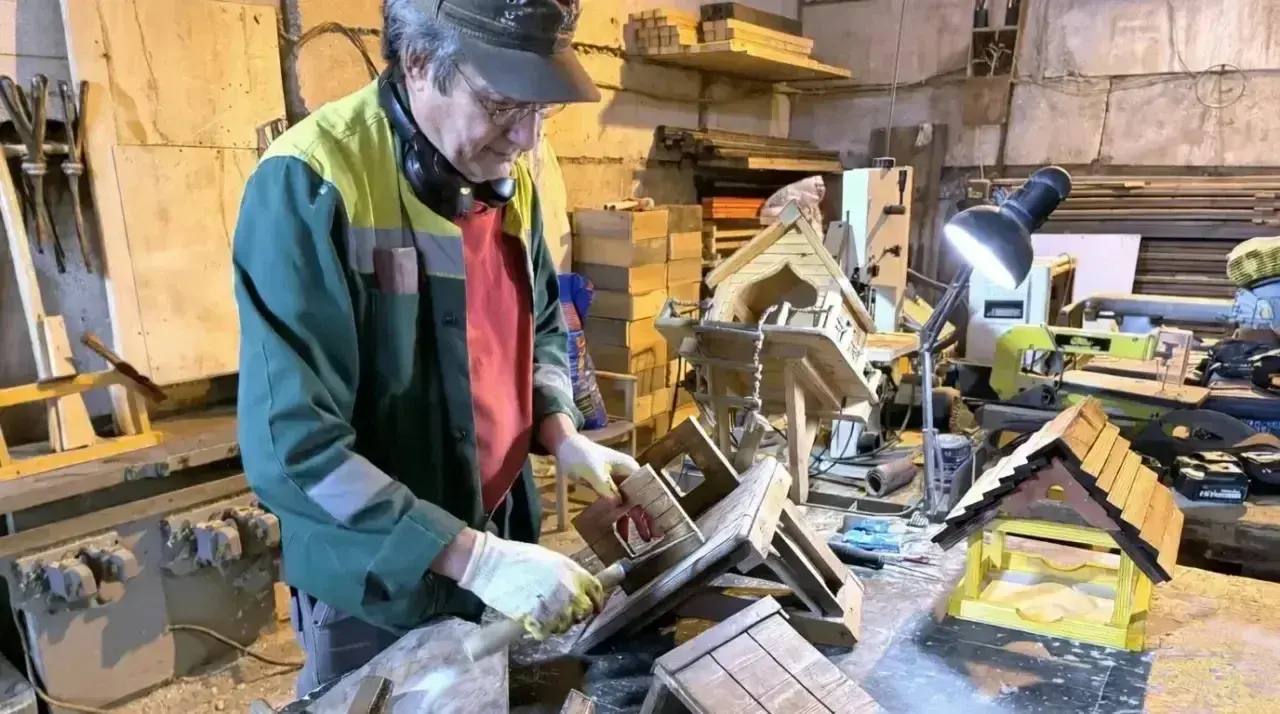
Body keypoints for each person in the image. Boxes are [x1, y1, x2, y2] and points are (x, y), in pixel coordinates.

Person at [232, 0, 646, 695]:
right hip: (381, 579)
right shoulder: (311, 183)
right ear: (420, 61)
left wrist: (560, 431)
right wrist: (474, 560)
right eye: (503, 104)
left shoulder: (507, 177)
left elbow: (542, 324)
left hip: (500, 536)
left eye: (542, 108)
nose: (527, 137)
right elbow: (294, 451)